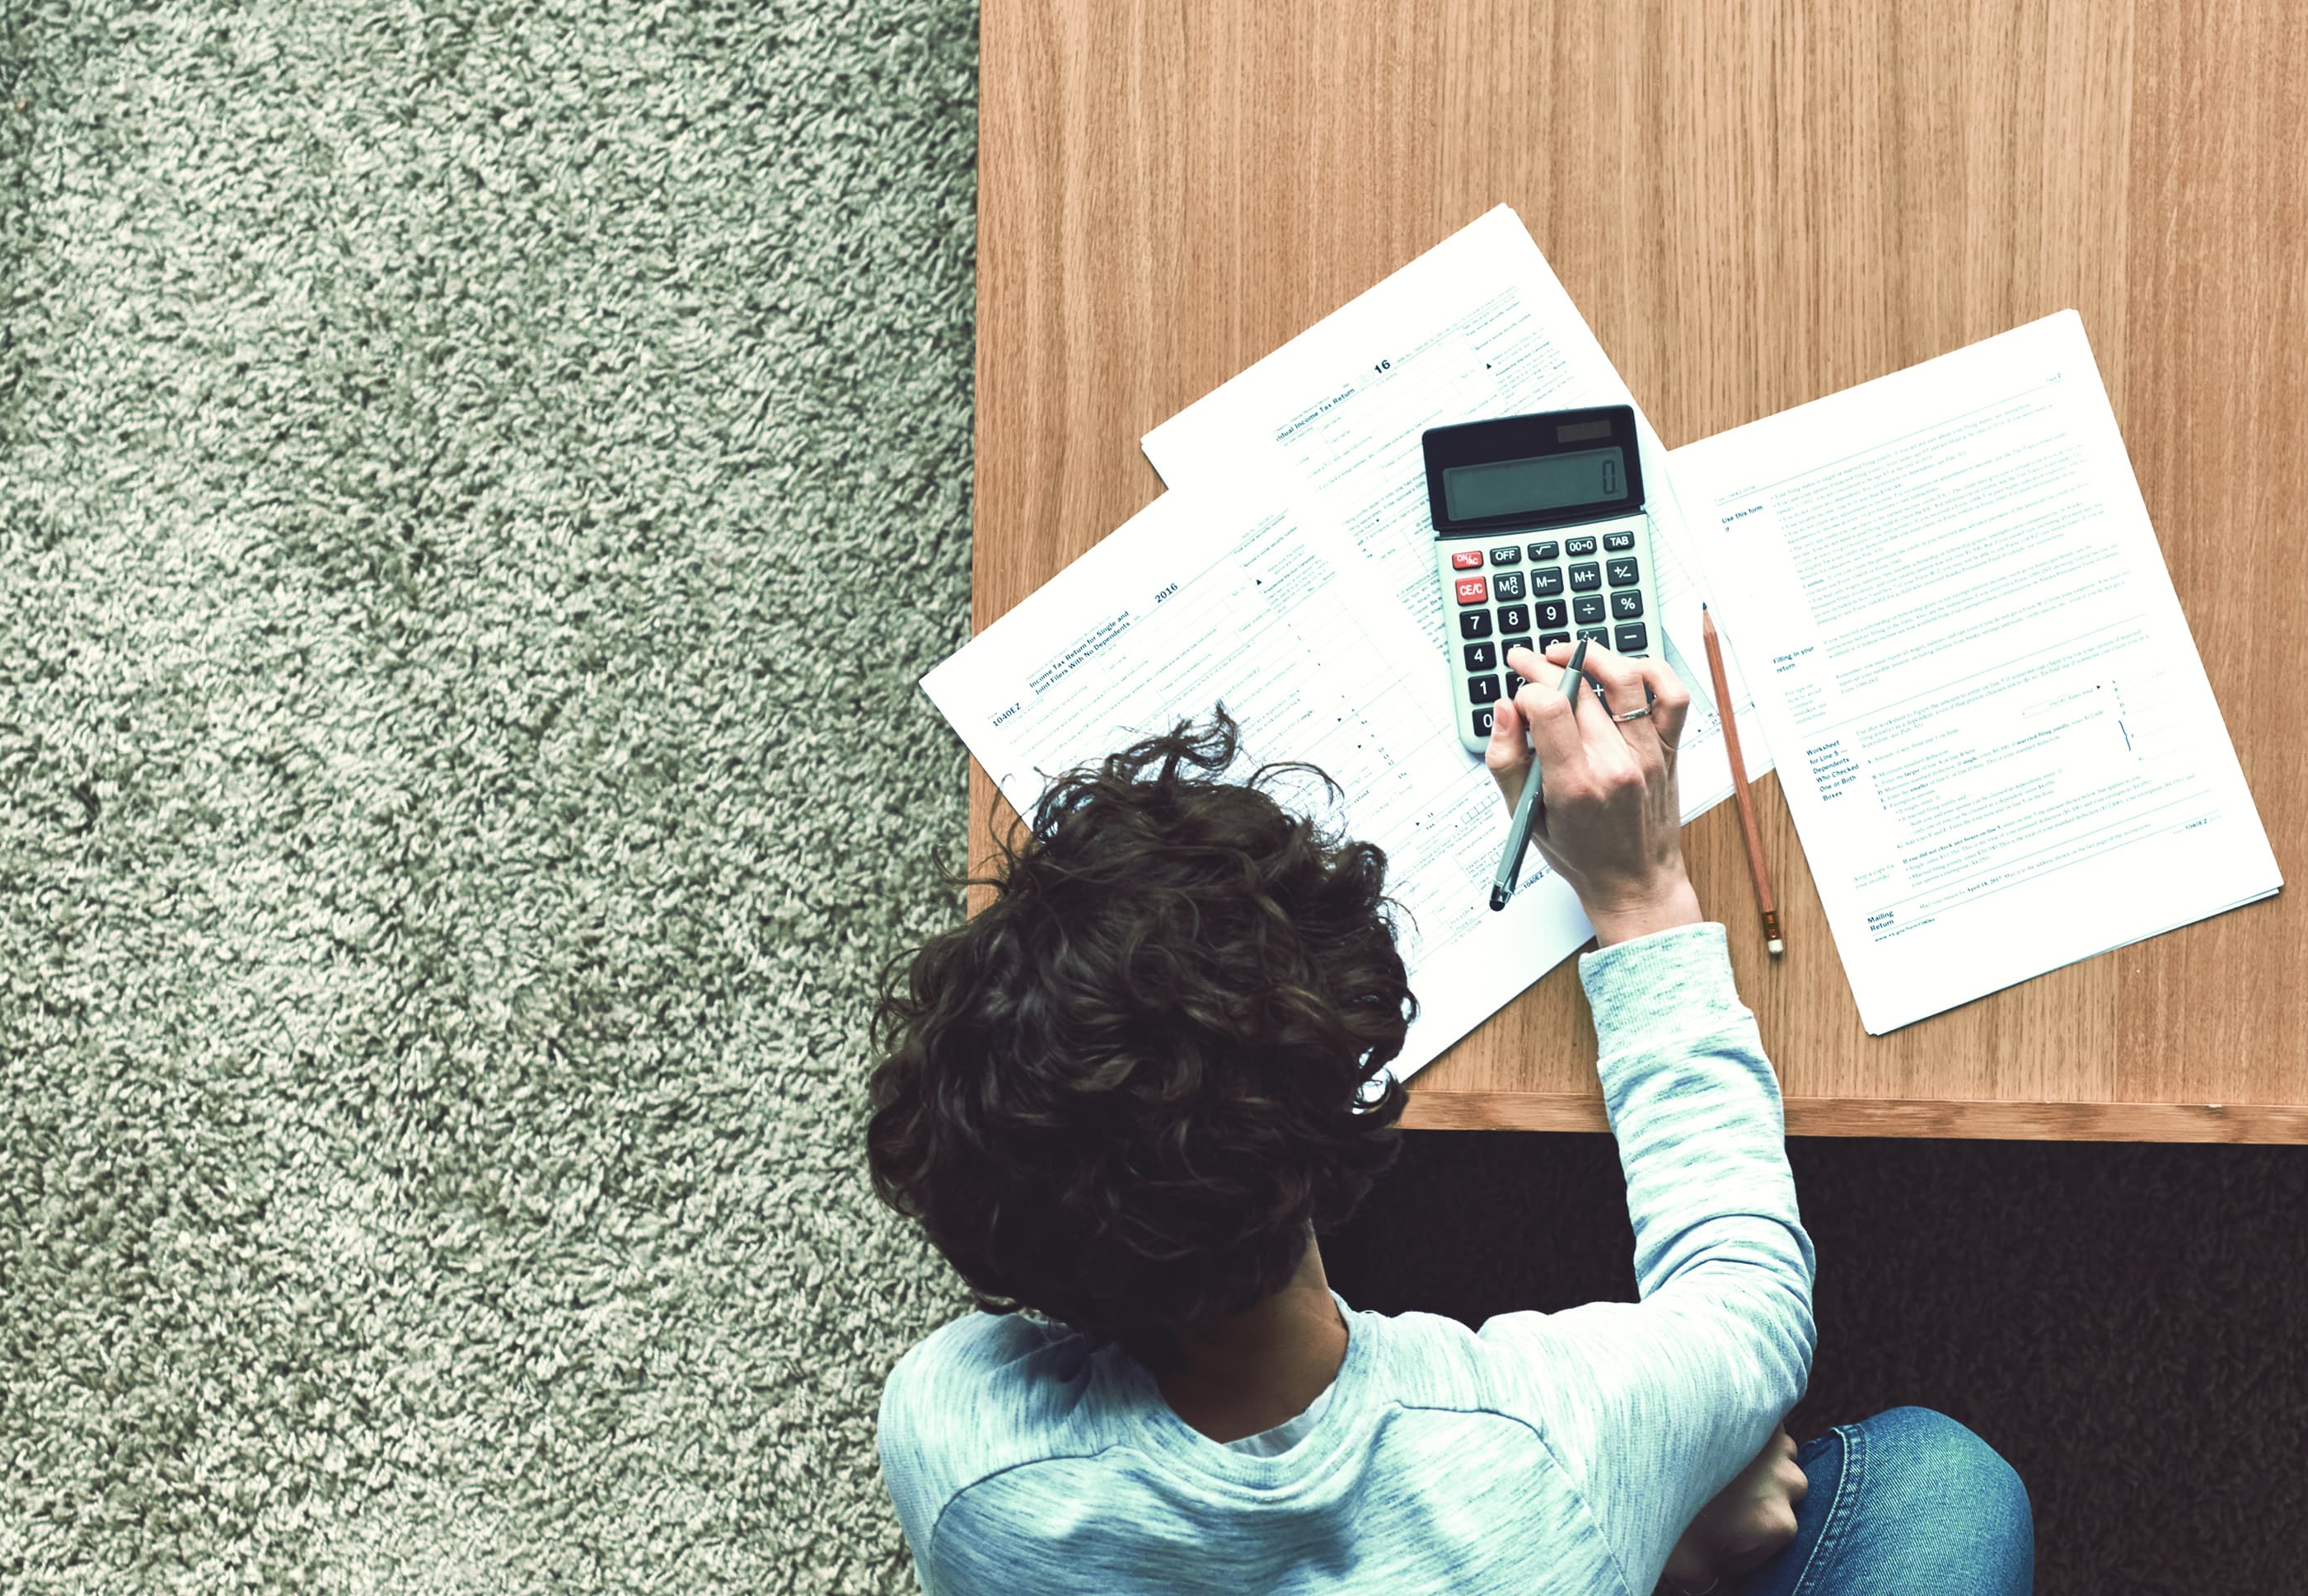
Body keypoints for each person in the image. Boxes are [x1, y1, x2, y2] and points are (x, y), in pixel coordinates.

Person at [868, 639, 2032, 1594]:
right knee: (1943, 1484)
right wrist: (1643, 897)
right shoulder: (1541, 1443)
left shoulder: (958, 1442)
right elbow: (1749, 1308)